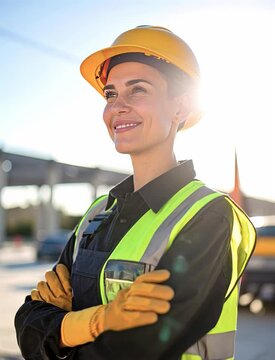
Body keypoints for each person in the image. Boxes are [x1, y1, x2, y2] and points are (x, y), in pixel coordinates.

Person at [15, 25, 256, 360]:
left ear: (180, 109)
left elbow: (142, 349)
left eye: (137, 90)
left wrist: (63, 330)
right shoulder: (97, 213)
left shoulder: (208, 215)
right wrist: (96, 321)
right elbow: (27, 325)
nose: (118, 107)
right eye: (111, 94)